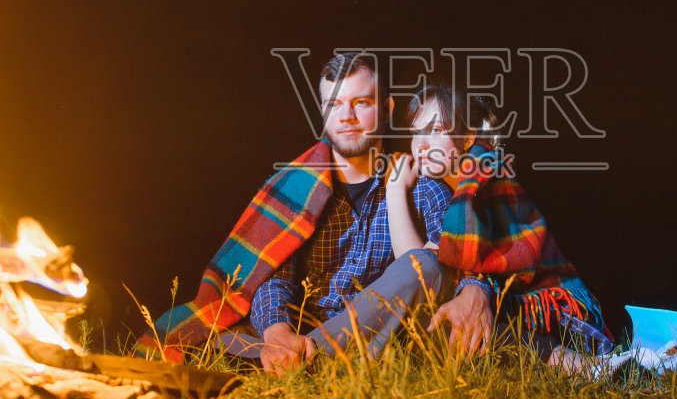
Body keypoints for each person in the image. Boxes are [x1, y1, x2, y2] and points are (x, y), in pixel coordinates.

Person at [141, 51, 456, 374]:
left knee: (426, 266)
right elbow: (272, 274)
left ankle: (308, 362)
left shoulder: (417, 181)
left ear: (386, 109)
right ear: (322, 112)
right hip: (295, 329)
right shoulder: (295, 185)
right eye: (334, 105)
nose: (346, 116)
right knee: (193, 340)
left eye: (361, 102)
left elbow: (448, 267)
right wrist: (277, 332)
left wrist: (477, 289)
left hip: (372, 333)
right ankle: (291, 357)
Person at [401, 80, 613, 363]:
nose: (421, 145)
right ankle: (567, 364)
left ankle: (575, 362)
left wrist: (469, 281)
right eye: (416, 133)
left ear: (467, 139)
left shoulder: (487, 179)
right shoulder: (434, 191)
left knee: (453, 319)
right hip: (503, 306)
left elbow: (506, 267)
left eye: (436, 130)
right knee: (436, 324)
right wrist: (396, 193)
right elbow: (416, 270)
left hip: (555, 312)